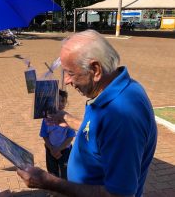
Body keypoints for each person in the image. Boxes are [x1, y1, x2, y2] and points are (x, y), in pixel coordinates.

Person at [17, 30, 157, 197]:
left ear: (95, 69)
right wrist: (71, 120)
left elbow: (119, 194)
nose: (67, 82)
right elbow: (103, 136)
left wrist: (49, 182)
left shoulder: (121, 117)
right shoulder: (112, 91)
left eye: (70, 73)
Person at [39, 89, 75, 179]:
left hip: (65, 150)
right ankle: (55, 191)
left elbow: (70, 137)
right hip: (50, 150)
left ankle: (65, 190)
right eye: (57, 101)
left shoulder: (67, 118)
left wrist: (59, 149)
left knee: (65, 171)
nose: (61, 104)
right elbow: (44, 135)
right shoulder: (47, 119)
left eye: (63, 101)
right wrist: (51, 148)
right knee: (52, 171)